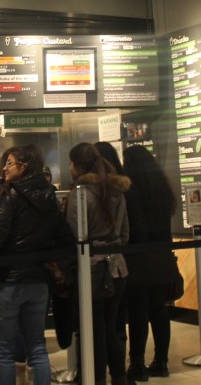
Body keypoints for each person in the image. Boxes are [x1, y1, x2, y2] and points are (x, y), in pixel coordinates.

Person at [0, 145, 74, 385]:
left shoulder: (11, 195)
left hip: (6, 283)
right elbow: (64, 237)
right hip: (39, 281)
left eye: (9, 163)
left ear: (24, 166)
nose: (5, 168)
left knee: (4, 350)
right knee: (37, 348)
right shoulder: (49, 195)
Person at [66, 142, 130, 385]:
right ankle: (119, 377)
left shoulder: (80, 193)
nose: (70, 168)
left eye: (71, 163)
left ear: (78, 166)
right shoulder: (117, 191)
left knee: (94, 330)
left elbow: (74, 234)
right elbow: (125, 235)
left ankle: (96, 379)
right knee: (111, 326)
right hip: (118, 267)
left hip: (91, 269)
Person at [122, 146, 177, 380]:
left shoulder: (131, 191)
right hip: (162, 256)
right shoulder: (162, 189)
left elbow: (136, 227)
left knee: (138, 311)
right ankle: (161, 362)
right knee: (159, 310)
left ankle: (137, 364)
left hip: (139, 257)